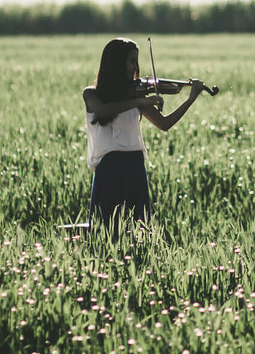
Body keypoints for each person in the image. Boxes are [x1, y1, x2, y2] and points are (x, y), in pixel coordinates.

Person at [82, 37, 206, 233]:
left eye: (136, 62)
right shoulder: (91, 94)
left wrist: (191, 99)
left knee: (139, 229)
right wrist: (140, 103)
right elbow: (103, 110)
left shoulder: (137, 96)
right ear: (116, 63)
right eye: (131, 61)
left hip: (134, 166)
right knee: (104, 229)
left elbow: (164, 124)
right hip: (109, 168)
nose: (135, 67)